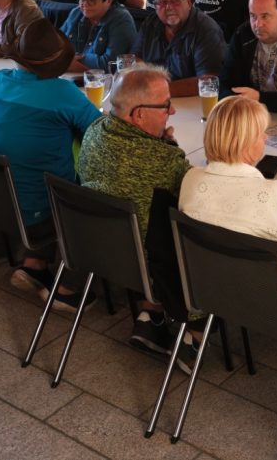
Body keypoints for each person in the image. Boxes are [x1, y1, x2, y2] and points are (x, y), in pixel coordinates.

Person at [180, 97, 277, 331]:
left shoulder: (190, 179)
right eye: (261, 133)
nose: (266, 138)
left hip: (215, 294)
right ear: (244, 142)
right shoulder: (275, 194)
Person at [0, 19, 99, 306]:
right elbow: (101, 135)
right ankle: (68, 289)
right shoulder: (63, 93)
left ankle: (34, 264)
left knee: (34, 166)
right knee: (91, 191)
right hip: (40, 214)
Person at [78, 63, 192, 354]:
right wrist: (170, 148)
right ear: (139, 114)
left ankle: (150, 314)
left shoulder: (94, 131)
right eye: (165, 105)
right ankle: (194, 333)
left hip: (96, 248)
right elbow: (194, 196)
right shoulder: (164, 161)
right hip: (149, 264)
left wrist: (161, 143)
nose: (172, 111)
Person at [132, 0, 227, 96]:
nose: (169, 7)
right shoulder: (150, 24)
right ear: (155, 6)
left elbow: (209, 81)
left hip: (192, 104)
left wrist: (157, 90)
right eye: (162, 1)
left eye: (175, 0)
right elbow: (135, 61)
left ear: (189, 2)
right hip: (153, 99)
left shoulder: (206, 29)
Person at [61, 0, 137, 72]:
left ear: (109, 1)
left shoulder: (121, 20)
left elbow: (110, 64)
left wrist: (69, 60)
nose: (85, 4)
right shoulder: (76, 13)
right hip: (68, 75)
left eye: (92, 0)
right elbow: (56, 48)